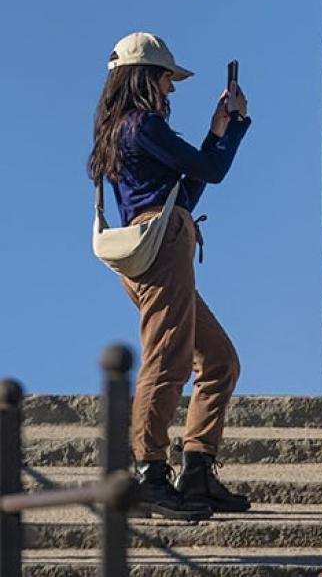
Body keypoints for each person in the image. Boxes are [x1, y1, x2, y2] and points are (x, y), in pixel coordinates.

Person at [87, 32, 253, 520]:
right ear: (144, 78)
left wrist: (219, 132)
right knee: (169, 357)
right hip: (164, 248)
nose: (172, 89)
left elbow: (190, 187)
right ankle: (149, 474)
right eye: (166, 78)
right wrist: (234, 126)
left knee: (219, 360)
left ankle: (198, 471)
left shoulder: (123, 129)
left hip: (155, 243)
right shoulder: (143, 126)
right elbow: (210, 172)